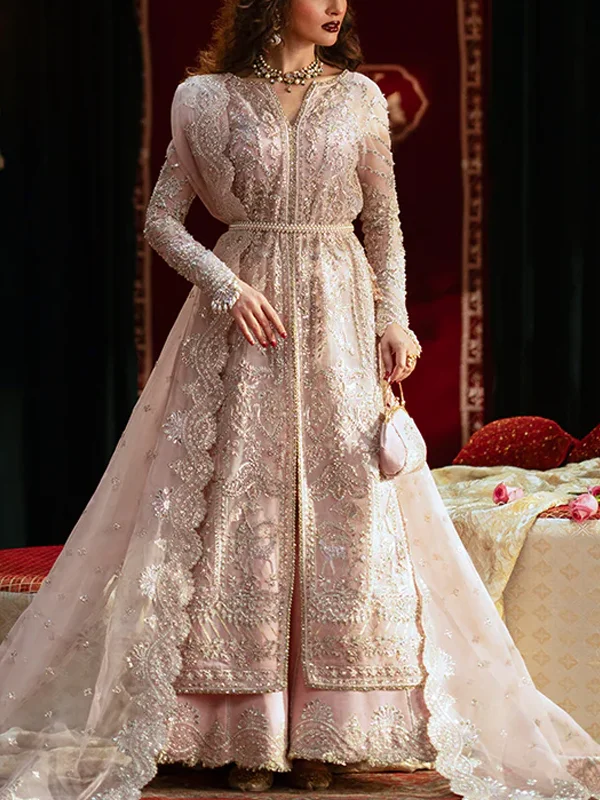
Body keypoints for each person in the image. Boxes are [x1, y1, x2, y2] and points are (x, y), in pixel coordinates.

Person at [1, 0, 599, 798]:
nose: (336, 4)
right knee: (241, 508)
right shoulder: (206, 99)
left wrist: (393, 319)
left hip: (339, 313)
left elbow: (383, 221)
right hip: (246, 322)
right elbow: (162, 220)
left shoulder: (358, 97)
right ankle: (244, 733)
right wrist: (225, 285)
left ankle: (330, 733)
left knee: (347, 507)